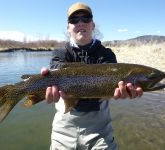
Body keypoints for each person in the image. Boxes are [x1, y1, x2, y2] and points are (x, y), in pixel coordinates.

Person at [41, 2, 143, 150]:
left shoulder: (106, 55)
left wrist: (125, 91)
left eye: (86, 18)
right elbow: (57, 70)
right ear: (68, 27)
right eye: (74, 20)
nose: (80, 23)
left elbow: (116, 84)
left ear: (93, 25)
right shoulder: (60, 54)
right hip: (63, 130)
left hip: (100, 130)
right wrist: (45, 80)